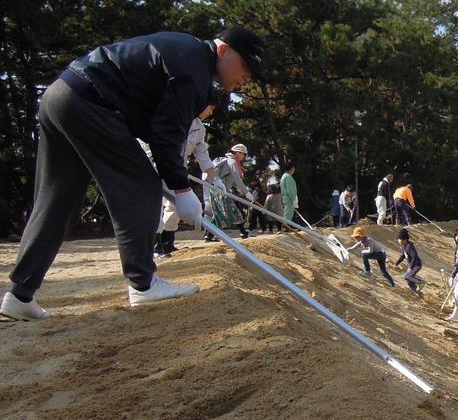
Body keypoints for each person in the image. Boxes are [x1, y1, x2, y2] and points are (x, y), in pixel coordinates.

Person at [1, 26, 264, 321]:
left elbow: (155, 124)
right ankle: (143, 283)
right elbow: (165, 135)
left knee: (57, 200)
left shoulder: (186, 50)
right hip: (92, 103)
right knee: (142, 188)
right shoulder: (195, 70)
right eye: (245, 69)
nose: (245, 79)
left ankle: (20, 295)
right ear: (225, 50)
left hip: (60, 96)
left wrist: (179, 184)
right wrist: (181, 189)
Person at [143, 102, 217, 257]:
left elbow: (202, 153)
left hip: (176, 171)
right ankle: (154, 245)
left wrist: (214, 178)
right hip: (154, 166)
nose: (210, 113)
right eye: (210, 108)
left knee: (175, 205)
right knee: (154, 205)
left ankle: (166, 243)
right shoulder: (174, 115)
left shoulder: (199, 128)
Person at [204, 143, 252, 241]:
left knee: (219, 213)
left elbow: (232, 180)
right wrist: (246, 192)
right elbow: (236, 178)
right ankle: (243, 232)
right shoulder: (232, 162)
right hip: (220, 191)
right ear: (238, 153)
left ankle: (208, 235)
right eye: (244, 154)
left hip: (217, 190)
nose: (244, 157)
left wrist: (240, 190)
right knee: (232, 211)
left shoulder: (228, 161)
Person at [394, 228, 425, 294]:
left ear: (405, 239)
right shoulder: (404, 246)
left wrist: (410, 267)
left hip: (416, 265)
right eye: (398, 240)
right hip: (412, 265)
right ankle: (415, 291)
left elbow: (414, 256)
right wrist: (396, 263)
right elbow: (402, 256)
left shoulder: (409, 246)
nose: (399, 241)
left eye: (400, 240)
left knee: (407, 276)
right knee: (407, 279)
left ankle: (420, 282)